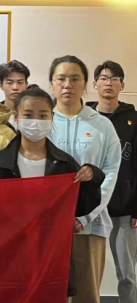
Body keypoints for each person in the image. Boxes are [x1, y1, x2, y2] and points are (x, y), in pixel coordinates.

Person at [0, 84, 105, 299]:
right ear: (16, 117)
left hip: (51, 253)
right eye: (28, 115)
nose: (35, 121)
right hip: (10, 254)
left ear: (51, 118)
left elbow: (82, 205)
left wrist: (92, 177)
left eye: (43, 115)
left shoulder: (65, 163)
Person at [48, 55, 121, 303]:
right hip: (47, 225)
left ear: (86, 84)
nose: (67, 85)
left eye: (75, 79)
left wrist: (85, 217)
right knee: (48, 292)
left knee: (87, 295)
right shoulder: (42, 123)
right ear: (51, 83)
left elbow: (110, 173)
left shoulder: (102, 126)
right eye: (61, 79)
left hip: (90, 225)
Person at [86, 60, 137, 303]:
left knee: (127, 274)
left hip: (123, 206)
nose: (109, 83)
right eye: (104, 78)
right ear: (95, 83)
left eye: (114, 78)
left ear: (122, 85)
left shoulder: (133, 119)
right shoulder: (84, 119)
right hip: (89, 206)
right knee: (86, 271)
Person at [0, 60, 30, 127]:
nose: (15, 87)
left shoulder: (32, 113)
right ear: (1, 86)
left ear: (26, 85)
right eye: (10, 83)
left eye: (20, 82)